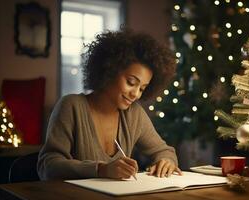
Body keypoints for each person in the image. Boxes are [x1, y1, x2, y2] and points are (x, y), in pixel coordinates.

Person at [37, 29, 182, 180]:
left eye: (142, 88)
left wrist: (166, 161)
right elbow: (48, 166)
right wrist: (101, 170)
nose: (136, 94)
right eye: (131, 82)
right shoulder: (71, 106)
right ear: (110, 70)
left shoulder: (134, 114)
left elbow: (164, 151)